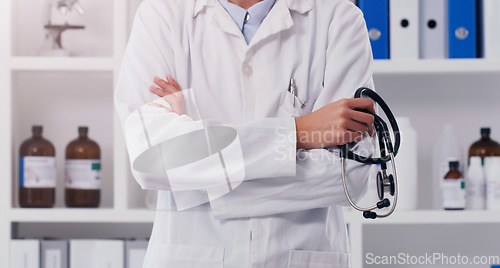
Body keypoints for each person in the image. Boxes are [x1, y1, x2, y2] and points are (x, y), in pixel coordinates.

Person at [115, 0, 376, 267]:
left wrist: (195, 178)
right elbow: (150, 160)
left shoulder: (339, 17)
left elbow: (350, 176)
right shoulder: (162, 15)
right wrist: (300, 132)